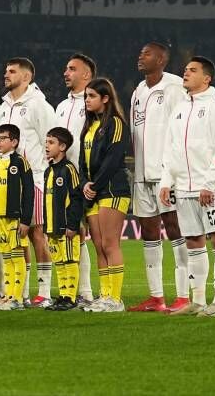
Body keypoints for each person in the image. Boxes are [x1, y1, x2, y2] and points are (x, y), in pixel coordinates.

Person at [158, 57, 215, 317]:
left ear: (207, 78)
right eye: (185, 70)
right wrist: (167, 181)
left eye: (192, 70)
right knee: (193, 241)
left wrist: (209, 183)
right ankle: (198, 300)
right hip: (183, 188)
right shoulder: (179, 109)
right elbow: (170, 148)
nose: (186, 73)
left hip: (209, 189)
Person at [129, 42, 189, 313]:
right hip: (142, 173)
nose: (141, 57)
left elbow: (181, 131)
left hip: (166, 173)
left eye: (147, 53)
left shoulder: (174, 87)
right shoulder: (138, 90)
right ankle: (156, 297)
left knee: (175, 229)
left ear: (162, 59)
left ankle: (183, 295)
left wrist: (173, 171)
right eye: (140, 53)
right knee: (149, 233)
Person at [0, 57, 59, 307]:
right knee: (17, 234)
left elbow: (52, 140)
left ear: (26, 77)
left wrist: (47, 174)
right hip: (8, 181)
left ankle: (44, 292)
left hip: (34, 179)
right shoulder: (3, 106)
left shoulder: (38, 105)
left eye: (12, 71)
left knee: (37, 233)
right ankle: (20, 291)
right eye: (6, 71)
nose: (6, 75)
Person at [79, 78, 129, 313]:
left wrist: (94, 185)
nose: (87, 100)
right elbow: (82, 162)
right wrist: (84, 184)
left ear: (106, 98)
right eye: (86, 96)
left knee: (110, 243)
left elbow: (113, 159)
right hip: (94, 192)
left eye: (92, 96)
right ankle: (105, 295)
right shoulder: (88, 127)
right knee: (99, 246)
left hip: (112, 189)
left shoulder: (115, 123)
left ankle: (115, 299)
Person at [56, 53, 96, 303]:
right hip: (64, 179)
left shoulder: (93, 105)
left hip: (87, 179)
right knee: (73, 233)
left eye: (72, 69)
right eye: (66, 68)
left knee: (91, 236)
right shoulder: (61, 106)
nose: (66, 73)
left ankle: (89, 292)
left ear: (86, 74)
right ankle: (79, 292)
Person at [0, 124, 33, 310]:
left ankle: (18, 298)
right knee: (6, 259)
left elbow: (29, 193)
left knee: (16, 257)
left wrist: (26, 220)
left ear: (14, 141)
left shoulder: (20, 162)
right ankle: (8, 296)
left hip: (15, 219)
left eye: (2, 138)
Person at [43, 127, 85, 311]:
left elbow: (76, 198)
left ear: (62, 147)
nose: (46, 146)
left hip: (66, 227)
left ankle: (70, 297)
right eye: (46, 142)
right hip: (52, 227)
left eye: (51, 142)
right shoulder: (49, 171)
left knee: (69, 261)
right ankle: (62, 295)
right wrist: (46, 227)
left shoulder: (69, 169)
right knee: (59, 263)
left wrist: (73, 225)